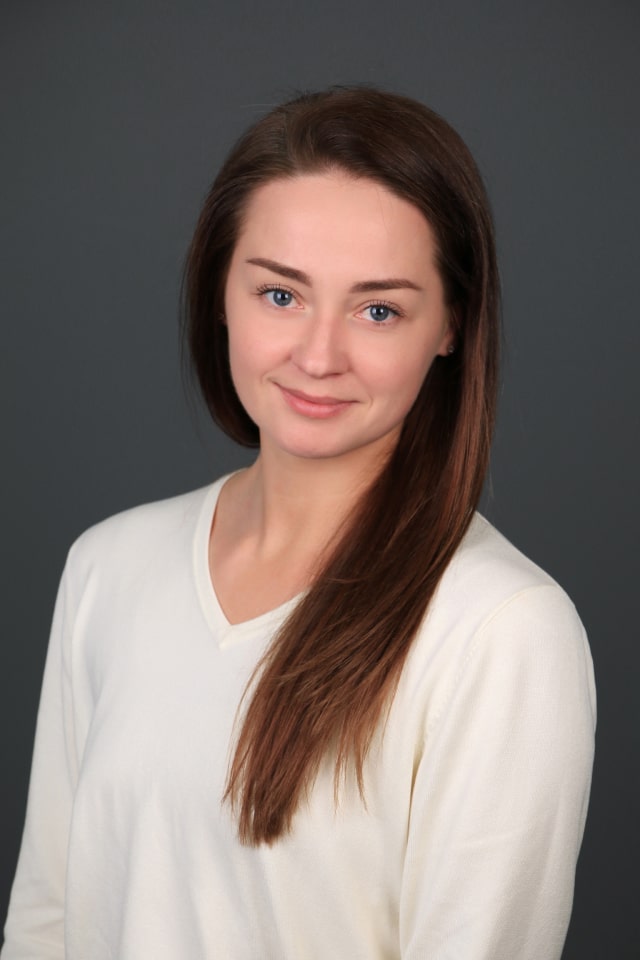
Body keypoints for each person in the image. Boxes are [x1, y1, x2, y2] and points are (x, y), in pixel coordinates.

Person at [2, 86, 595, 960]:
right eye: (280, 295)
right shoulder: (108, 567)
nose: (319, 356)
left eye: (378, 310)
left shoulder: (502, 632)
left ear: (450, 328)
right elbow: (47, 923)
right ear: (220, 292)